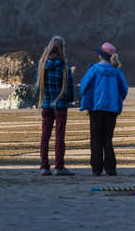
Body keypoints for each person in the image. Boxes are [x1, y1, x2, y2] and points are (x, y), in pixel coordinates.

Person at [80, 42, 128, 176]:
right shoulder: (117, 71)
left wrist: (86, 99)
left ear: (101, 56)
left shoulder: (94, 69)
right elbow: (124, 89)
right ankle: (111, 169)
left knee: (96, 138)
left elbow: (83, 86)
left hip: (96, 108)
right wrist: (117, 100)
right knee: (108, 139)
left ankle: (96, 169)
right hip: (112, 109)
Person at [36, 36, 75, 176]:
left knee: (45, 136)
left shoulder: (42, 65)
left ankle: (44, 167)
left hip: (46, 104)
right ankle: (59, 167)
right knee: (59, 137)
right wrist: (70, 99)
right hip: (60, 105)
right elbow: (70, 87)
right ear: (62, 49)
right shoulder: (64, 66)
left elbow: (37, 87)